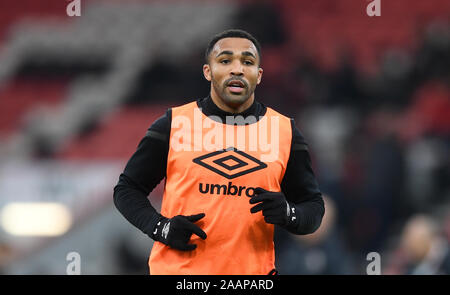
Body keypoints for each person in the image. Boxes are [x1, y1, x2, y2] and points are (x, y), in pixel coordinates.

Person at [113, 29, 325, 275]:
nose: (237, 69)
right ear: (208, 71)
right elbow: (127, 189)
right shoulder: (173, 124)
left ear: (259, 75)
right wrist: (161, 227)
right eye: (225, 60)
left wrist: (289, 214)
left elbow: (314, 208)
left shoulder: (285, 131)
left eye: (247, 61)